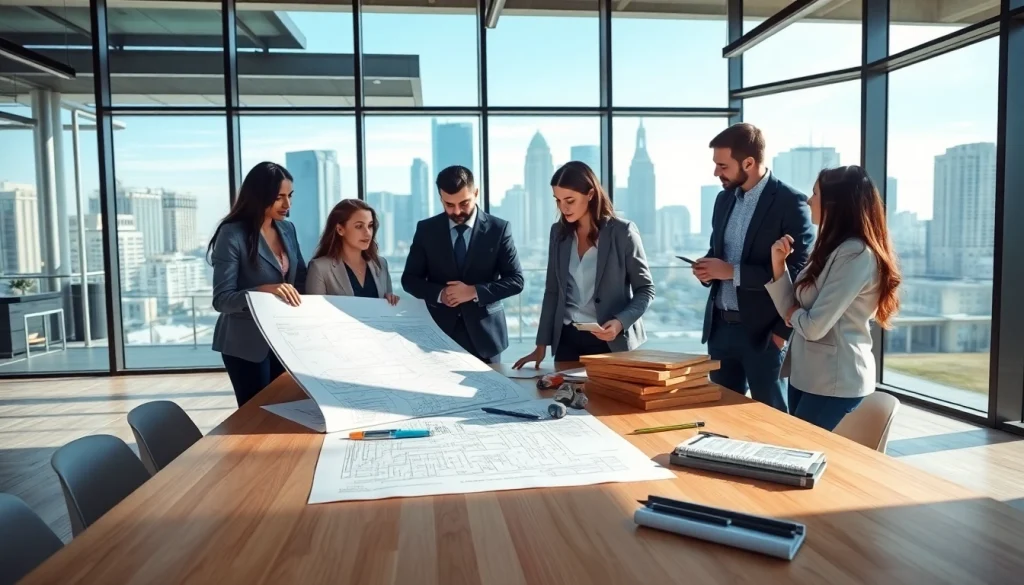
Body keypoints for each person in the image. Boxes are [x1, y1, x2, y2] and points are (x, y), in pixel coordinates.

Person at [765, 166, 901, 431]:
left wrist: (794, 314)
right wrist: (778, 265)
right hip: (807, 375)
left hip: (836, 380)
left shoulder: (856, 254)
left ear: (834, 203)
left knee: (801, 453)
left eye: (815, 193)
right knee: (799, 454)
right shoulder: (830, 248)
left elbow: (813, 326)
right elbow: (793, 308)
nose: (808, 200)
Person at [694, 123, 814, 412]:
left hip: (763, 335)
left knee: (772, 418)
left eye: (722, 166)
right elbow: (718, 254)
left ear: (748, 162)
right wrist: (708, 270)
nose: (716, 173)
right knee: (721, 415)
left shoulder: (790, 203)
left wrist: (778, 335)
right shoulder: (723, 200)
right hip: (721, 330)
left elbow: (797, 272)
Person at [514, 161, 655, 368]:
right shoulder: (558, 233)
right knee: (563, 398)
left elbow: (646, 290)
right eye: (558, 200)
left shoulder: (622, 232)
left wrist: (619, 322)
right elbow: (552, 291)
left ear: (590, 194)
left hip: (609, 340)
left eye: (570, 200)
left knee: (604, 400)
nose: (564, 207)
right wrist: (541, 345)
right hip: (567, 340)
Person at [401, 165, 524, 363]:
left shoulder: (499, 229)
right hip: (438, 337)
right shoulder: (426, 230)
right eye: (449, 205)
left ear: (476, 193)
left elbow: (516, 281)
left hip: (486, 338)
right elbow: (409, 280)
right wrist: (440, 294)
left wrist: (473, 291)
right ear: (440, 199)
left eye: (464, 203)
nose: (457, 211)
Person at [210, 161, 307, 408]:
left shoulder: (287, 229)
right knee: (255, 414)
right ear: (259, 196)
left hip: (283, 339)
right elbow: (222, 300)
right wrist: (262, 291)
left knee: (287, 408)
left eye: (290, 196)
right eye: (279, 198)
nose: (288, 205)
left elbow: (302, 280)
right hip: (245, 343)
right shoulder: (232, 234)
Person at [305, 199, 399, 305]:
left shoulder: (381, 264)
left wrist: (390, 300)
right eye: (359, 226)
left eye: (370, 225)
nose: (367, 233)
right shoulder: (320, 268)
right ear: (340, 229)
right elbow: (315, 313)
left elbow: (387, 309)